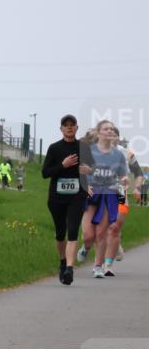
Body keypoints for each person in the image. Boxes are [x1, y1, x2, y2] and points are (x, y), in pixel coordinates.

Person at [41, 115, 89, 285]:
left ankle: (69, 268)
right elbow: (45, 173)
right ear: (61, 129)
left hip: (77, 196)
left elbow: (92, 169)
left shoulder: (83, 147)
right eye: (65, 125)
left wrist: (88, 170)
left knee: (73, 230)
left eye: (72, 125)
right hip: (57, 198)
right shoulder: (54, 148)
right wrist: (63, 165)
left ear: (77, 128)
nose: (69, 128)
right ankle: (62, 262)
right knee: (60, 232)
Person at [77, 121, 128, 278]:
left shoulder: (118, 155)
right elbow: (79, 171)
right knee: (88, 235)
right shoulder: (88, 151)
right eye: (106, 128)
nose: (109, 131)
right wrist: (85, 185)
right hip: (91, 194)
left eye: (111, 129)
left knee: (101, 232)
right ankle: (85, 248)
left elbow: (122, 174)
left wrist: (125, 179)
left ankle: (98, 266)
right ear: (98, 133)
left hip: (109, 194)